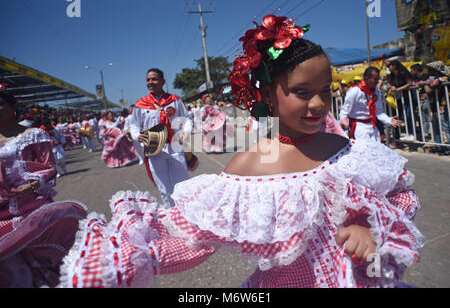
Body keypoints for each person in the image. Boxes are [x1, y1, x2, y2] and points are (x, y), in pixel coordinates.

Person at [58, 14, 423, 288]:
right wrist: (133, 259)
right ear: (267, 96)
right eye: (302, 92)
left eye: (326, 90)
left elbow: (398, 195)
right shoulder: (248, 165)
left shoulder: (342, 147)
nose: (318, 104)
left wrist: (364, 224)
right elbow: (195, 239)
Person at [0, 90, 87, 287]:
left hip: (33, 208)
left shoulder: (32, 135)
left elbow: (49, 169)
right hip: (2, 215)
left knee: (55, 261)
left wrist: (31, 185)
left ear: (13, 107)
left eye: (0, 104)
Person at [128, 68, 193, 208]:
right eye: (148, 80)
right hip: (154, 149)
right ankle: (172, 216)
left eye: (154, 79)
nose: (150, 82)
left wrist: (186, 132)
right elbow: (134, 125)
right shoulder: (140, 105)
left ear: (163, 81)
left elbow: (187, 119)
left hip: (175, 146)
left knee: (182, 185)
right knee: (164, 189)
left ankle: (187, 215)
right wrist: (137, 135)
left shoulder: (174, 100)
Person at [339, 67, 402, 141]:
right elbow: (345, 110)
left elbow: (379, 112)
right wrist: (343, 120)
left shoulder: (377, 91)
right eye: (375, 79)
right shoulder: (355, 91)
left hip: (372, 127)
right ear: (366, 78)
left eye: (378, 79)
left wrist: (388, 120)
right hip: (358, 128)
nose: (377, 81)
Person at [387, 60, 414, 141]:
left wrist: (398, 89)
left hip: (407, 96)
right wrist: (390, 86)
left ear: (394, 66)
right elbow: (390, 84)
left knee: (409, 115)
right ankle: (397, 135)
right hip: (398, 97)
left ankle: (411, 133)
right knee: (398, 115)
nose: (388, 68)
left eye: (389, 66)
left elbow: (410, 83)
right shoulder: (391, 75)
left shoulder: (403, 72)